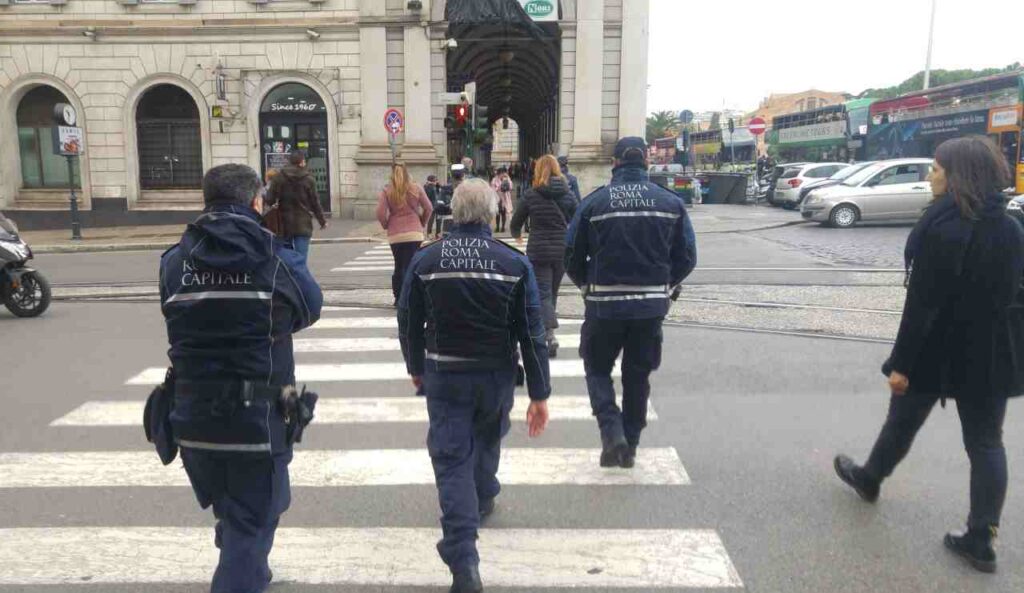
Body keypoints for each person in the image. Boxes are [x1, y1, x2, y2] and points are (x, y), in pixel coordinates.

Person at [833, 136, 1024, 574]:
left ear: (958, 176)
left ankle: (870, 478)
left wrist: (901, 365)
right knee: (986, 442)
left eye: (937, 169)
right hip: (989, 353)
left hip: (935, 349)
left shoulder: (942, 227)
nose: (930, 176)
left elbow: (922, 307)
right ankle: (981, 538)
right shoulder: (1012, 227)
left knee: (903, 419)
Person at [159, 164, 323, 593]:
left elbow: (173, 314)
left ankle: (248, 567)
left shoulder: (174, 261)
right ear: (255, 201)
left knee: (235, 512)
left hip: (192, 417)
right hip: (257, 420)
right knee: (253, 519)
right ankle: (243, 570)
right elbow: (310, 307)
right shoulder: (276, 258)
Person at [398, 178, 551, 593]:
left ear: (454, 211)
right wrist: (539, 393)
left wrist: (415, 365)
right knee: (487, 438)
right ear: (490, 213)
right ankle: (482, 494)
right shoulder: (513, 263)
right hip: (495, 374)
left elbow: (408, 318)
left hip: (445, 373)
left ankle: (463, 559)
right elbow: (532, 332)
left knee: (451, 460)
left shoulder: (426, 259)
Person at [565, 136, 697, 469]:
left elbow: (571, 254)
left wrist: (586, 285)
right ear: (647, 162)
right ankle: (631, 444)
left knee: (597, 369)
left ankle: (612, 433)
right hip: (650, 308)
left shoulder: (595, 202)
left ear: (615, 163)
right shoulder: (670, 202)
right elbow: (688, 256)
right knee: (638, 376)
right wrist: (665, 284)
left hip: (603, 306)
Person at [510, 155, 577, 357]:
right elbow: (577, 219)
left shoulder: (531, 195)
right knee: (551, 292)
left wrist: (517, 235)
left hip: (538, 249)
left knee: (543, 293)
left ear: (537, 170)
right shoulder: (568, 194)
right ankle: (548, 332)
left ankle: (548, 335)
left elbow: (516, 222)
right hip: (561, 249)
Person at [377, 164, 433, 304]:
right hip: (414, 233)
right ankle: (413, 297)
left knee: (399, 265)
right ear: (407, 173)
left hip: (395, 234)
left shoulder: (387, 190)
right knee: (413, 265)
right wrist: (422, 222)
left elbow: (380, 212)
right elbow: (429, 208)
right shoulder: (416, 188)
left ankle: (398, 297)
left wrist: (386, 224)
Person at [265, 149, 328, 262]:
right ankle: (299, 272)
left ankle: (289, 273)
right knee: (301, 259)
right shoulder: (309, 179)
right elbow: (315, 203)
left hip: (284, 223)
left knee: (286, 258)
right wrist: (322, 221)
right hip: (303, 224)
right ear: (301, 162)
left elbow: (269, 200)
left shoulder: (279, 178)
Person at [490, 167, 514, 233]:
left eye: (504, 173)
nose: (503, 175)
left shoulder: (507, 179)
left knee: (503, 213)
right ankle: (497, 227)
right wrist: (499, 187)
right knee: (498, 214)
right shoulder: (494, 179)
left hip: (505, 199)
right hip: (498, 198)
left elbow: (511, 187)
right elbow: (492, 189)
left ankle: (503, 227)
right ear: (499, 173)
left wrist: (507, 184)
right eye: (502, 173)